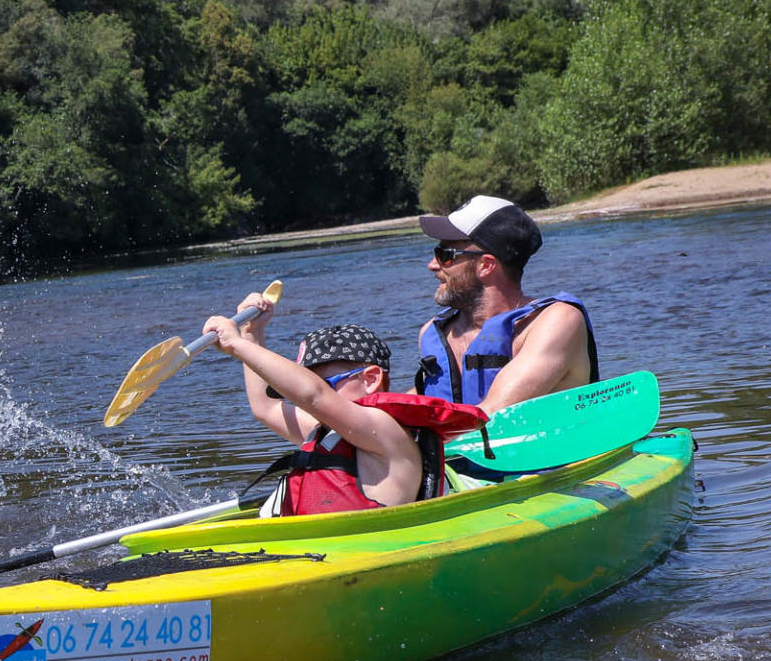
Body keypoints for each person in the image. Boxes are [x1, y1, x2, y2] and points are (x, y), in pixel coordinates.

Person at [208, 294, 484, 516]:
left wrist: (235, 345)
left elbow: (313, 396)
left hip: (358, 558)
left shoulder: (383, 430)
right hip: (308, 553)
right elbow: (266, 406)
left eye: (327, 383)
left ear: (371, 379)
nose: (305, 396)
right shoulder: (326, 429)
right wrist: (251, 333)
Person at [415, 195, 598, 412]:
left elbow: (492, 413)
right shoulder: (434, 332)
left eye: (445, 255)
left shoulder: (556, 322)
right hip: (456, 443)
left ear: (486, 265)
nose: (431, 265)